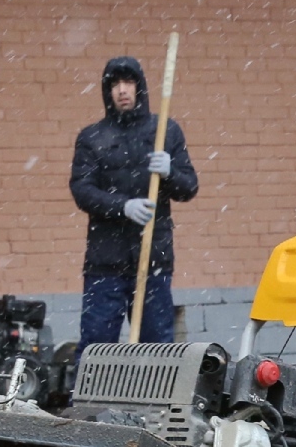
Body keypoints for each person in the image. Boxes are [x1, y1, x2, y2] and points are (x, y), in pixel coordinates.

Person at [69, 56, 199, 352]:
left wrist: (170, 172)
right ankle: (92, 399)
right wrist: (123, 206)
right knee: (96, 346)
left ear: (140, 88)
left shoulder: (165, 131)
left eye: (128, 83)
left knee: (156, 349)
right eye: (115, 84)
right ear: (107, 91)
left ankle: (154, 399)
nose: (122, 90)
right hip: (105, 263)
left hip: (153, 260)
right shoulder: (92, 138)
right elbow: (82, 190)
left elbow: (189, 187)